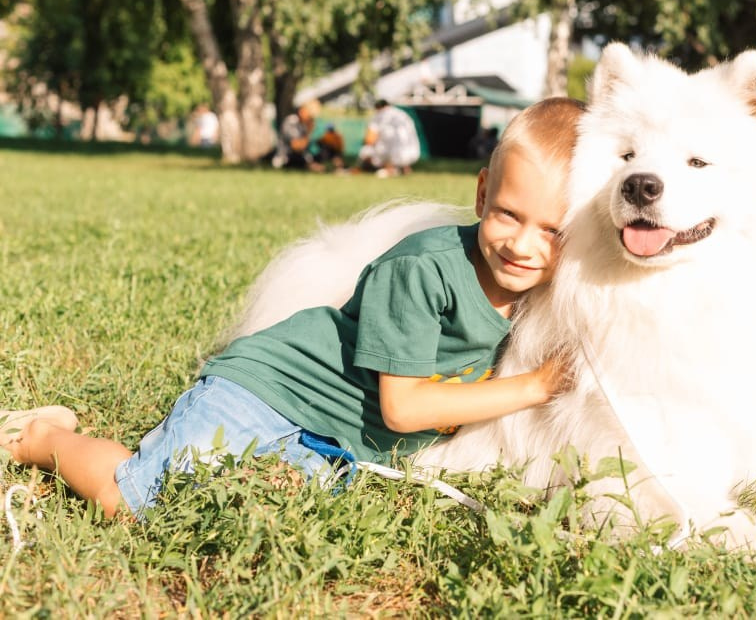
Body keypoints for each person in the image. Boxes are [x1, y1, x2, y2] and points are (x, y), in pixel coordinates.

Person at [0, 97, 586, 520]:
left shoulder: (537, 293)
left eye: (553, 230)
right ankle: (39, 439)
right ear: (482, 193)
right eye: (508, 214)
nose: (522, 244)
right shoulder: (425, 270)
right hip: (270, 393)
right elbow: (404, 409)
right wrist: (536, 387)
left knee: (246, 512)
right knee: (137, 499)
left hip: (327, 438)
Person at [354, 100, 421, 177]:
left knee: (366, 149)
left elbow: (369, 139)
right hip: (414, 153)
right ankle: (403, 168)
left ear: (377, 108)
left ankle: (390, 169)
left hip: (396, 155)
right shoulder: (403, 114)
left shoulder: (379, 115)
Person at [272, 101, 319, 171]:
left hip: (299, 157)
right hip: (285, 157)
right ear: (302, 111)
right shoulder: (291, 122)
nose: (310, 119)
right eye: (309, 116)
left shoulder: (303, 125)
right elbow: (296, 146)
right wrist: (309, 132)